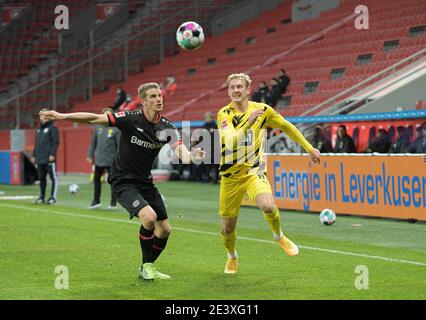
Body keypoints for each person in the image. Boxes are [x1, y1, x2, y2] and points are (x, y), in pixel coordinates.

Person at [40, 82, 206, 281]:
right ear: (143, 101)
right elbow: (94, 118)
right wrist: (63, 116)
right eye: (153, 96)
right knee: (149, 218)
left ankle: (147, 266)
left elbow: (183, 154)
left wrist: (193, 155)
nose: (158, 99)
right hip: (123, 180)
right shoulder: (130, 119)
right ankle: (146, 267)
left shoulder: (167, 127)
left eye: (159, 95)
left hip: (145, 182)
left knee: (165, 229)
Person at [216, 73, 320, 274]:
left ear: (248, 90)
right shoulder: (224, 113)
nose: (236, 90)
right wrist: (248, 123)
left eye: (240, 87)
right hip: (230, 177)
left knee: (267, 205)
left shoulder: (263, 110)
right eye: (232, 88)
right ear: (229, 92)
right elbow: (230, 142)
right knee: (228, 228)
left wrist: (309, 147)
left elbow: (286, 126)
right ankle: (232, 256)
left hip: (254, 171)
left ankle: (279, 235)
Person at [86, 108, 121, 209]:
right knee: (96, 180)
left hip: (111, 160)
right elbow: (93, 143)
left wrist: (118, 159)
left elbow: (119, 146)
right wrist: (89, 155)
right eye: (105, 115)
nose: (106, 117)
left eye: (109, 115)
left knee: (112, 181)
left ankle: (113, 203)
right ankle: (96, 201)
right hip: (99, 160)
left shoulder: (116, 129)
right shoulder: (97, 127)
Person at [203, 112, 219, 183]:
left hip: (214, 148)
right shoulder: (205, 126)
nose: (205, 119)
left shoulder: (215, 126)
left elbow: (216, 138)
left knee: (215, 165)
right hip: (207, 148)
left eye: (207, 117)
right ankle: (207, 178)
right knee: (207, 164)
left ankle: (216, 178)